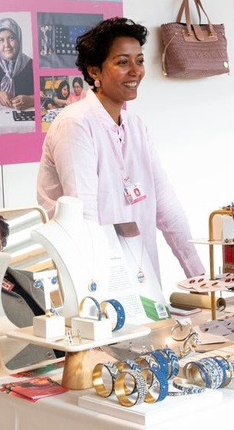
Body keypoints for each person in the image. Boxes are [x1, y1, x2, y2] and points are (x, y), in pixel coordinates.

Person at [36, 17, 204, 281]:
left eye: (139, 60)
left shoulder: (136, 127)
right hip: (93, 278)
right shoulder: (75, 124)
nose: (136, 71)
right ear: (94, 71)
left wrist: (200, 277)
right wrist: (102, 289)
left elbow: (166, 205)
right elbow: (84, 217)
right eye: (122, 62)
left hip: (141, 275)